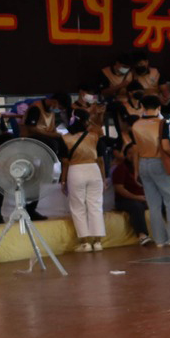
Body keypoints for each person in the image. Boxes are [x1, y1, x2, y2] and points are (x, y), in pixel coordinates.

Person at [128, 91, 170, 246]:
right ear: (159, 107)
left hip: (143, 164)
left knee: (153, 204)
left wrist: (135, 170)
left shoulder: (135, 125)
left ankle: (159, 239)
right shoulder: (162, 123)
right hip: (158, 162)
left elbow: (134, 150)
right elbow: (166, 147)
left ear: (142, 106)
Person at [61, 99, 108, 252]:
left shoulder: (65, 138)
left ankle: (85, 243)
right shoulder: (94, 136)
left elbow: (65, 162)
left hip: (76, 171)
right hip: (94, 170)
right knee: (95, 205)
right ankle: (98, 242)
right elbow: (101, 160)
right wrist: (103, 178)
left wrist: (63, 180)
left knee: (78, 207)